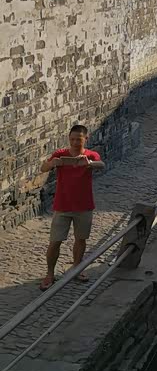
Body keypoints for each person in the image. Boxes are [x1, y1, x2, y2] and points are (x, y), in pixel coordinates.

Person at [39, 124, 105, 290]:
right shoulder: (60, 154)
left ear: (85, 139)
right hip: (62, 206)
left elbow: (101, 164)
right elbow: (43, 168)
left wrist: (89, 164)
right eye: (72, 139)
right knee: (55, 241)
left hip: (84, 206)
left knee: (80, 239)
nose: (75, 143)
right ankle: (50, 273)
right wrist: (52, 163)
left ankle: (77, 267)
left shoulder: (90, 155)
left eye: (78, 140)